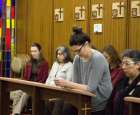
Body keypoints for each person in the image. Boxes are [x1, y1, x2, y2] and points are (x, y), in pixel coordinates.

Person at [54, 27, 112, 115]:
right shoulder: (77, 58)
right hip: (82, 96)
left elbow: (91, 88)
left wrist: (66, 84)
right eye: (74, 51)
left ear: (86, 44)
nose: (76, 54)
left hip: (98, 100)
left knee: (67, 108)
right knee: (61, 103)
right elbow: (75, 83)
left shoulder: (97, 58)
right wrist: (64, 85)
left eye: (78, 50)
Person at [10, 42, 49, 115]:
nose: (33, 53)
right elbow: (25, 77)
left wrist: (33, 85)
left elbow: (43, 79)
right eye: (31, 51)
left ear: (39, 51)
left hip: (37, 87)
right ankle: (14, 112)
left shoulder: (44, 63)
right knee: (18, 92)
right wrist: (24, 84)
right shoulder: (29, 63)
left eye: (35, 51)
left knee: (25, 93)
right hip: (27, 85)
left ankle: (15, 113)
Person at [109, 49, 140, 115]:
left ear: (137, 65)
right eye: (122, 64)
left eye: (127, 64)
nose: (123, 67)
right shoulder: (120, 82)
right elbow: (110, 103)